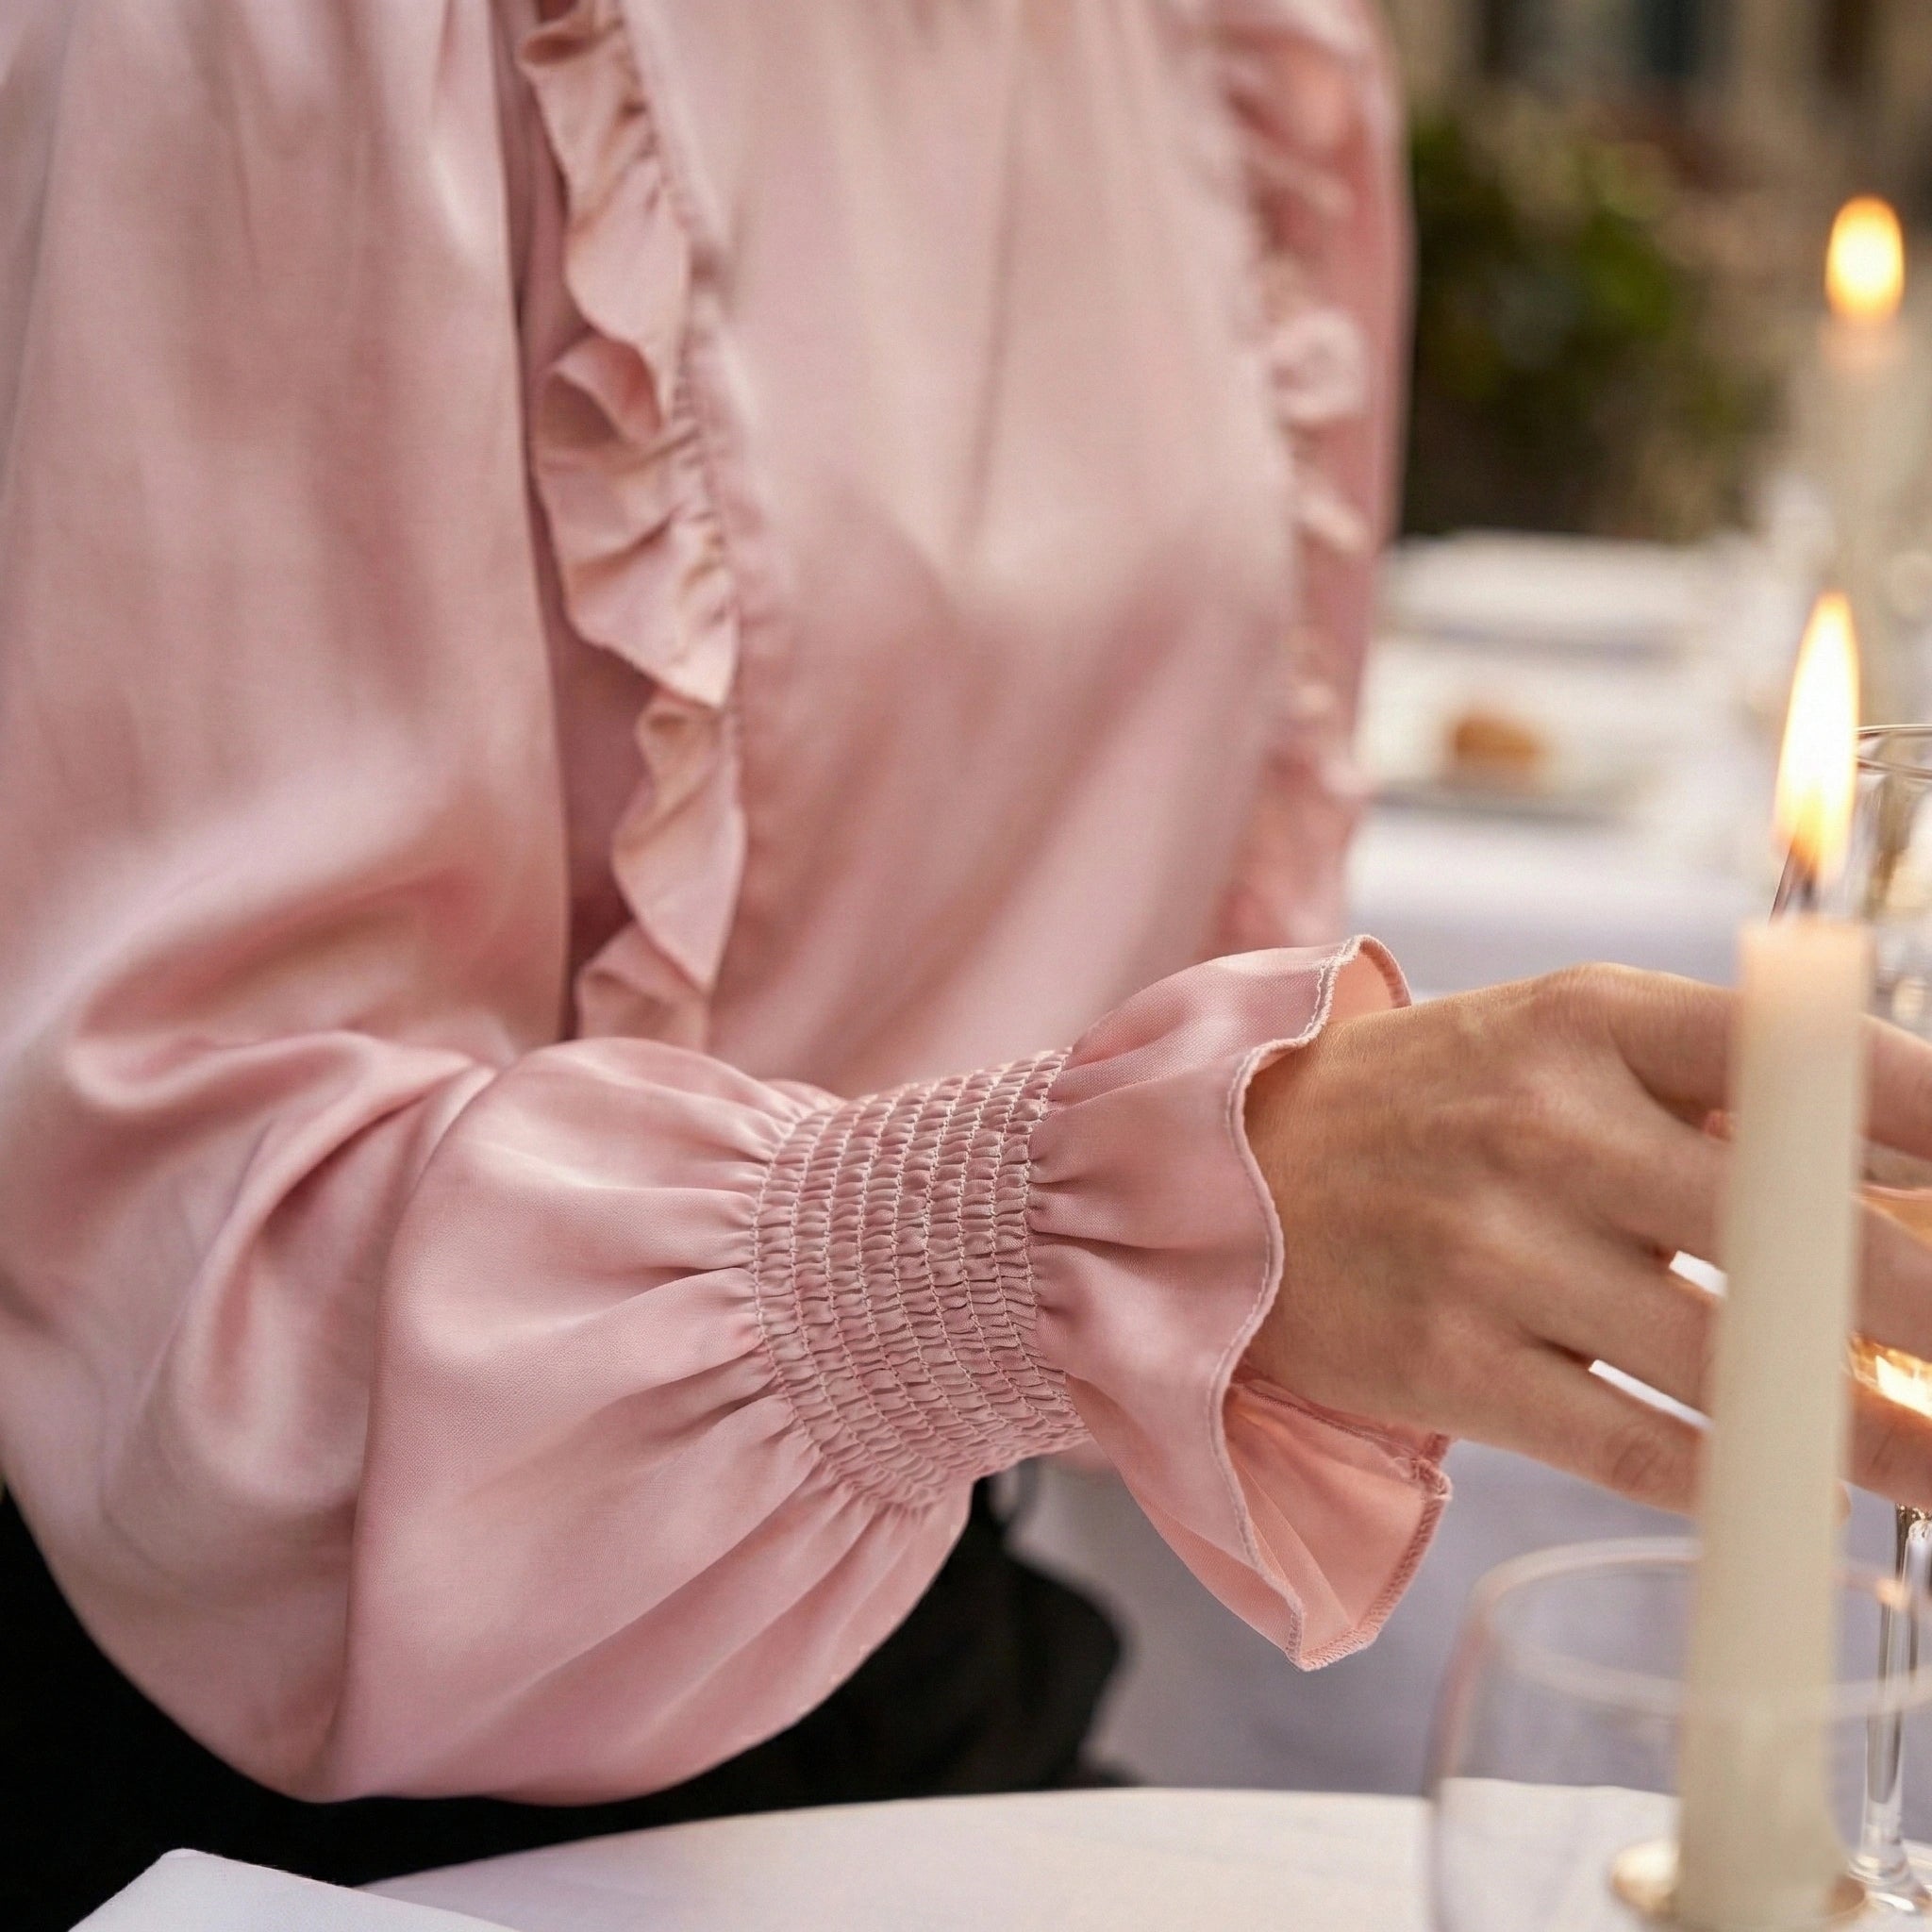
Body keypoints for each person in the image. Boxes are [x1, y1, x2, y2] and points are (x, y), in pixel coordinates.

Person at [6, 3, 1932, 1924]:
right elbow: (176, 1263)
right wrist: (1065, 1230)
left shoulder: (1227, 48)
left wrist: (1106, 1249)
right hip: (287, 1752)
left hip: (889, 1623)